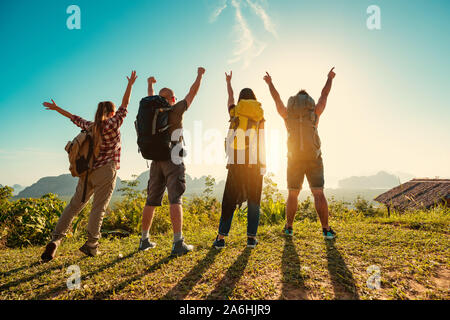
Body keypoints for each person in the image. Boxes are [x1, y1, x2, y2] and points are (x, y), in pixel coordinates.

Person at [41, 71, 138, 262]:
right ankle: (92, 245)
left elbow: (73, 117)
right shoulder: (113, 123)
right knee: (98, 208)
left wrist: (56, 107)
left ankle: (55, 241)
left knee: (74, 206)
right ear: (111, 113)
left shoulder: (90, 126)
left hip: (87, 174)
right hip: (106, 172)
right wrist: (131, 84)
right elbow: (125, 105)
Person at [263, 67, 337, 240]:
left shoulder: (288, 115)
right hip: (314, 157)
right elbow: (324, 95)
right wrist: (330, 78)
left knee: (292, 193)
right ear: (308, 102)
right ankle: (326, 229)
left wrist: (270, 83)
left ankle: (289, 227)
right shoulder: (314, 114)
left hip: (294, 158)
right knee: (318, 193)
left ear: (294, 103)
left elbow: (277, 99)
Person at [139, 67, 206, 256]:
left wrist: (150, 85)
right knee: (175, 198)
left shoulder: (152, 111)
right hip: (173, 156)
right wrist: (199, 75)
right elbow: (192, 93)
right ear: (172, 99)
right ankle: (178, 243)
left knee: (151, 200)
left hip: (155, 160)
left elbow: (151, 100)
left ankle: (144, 240)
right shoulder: (176, 110)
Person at [212, 71, 266, 250]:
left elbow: (230, 98)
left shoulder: (236, 110)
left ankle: (221, 238)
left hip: (236, 160)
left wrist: (228, 82)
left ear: (242, 99)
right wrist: (263, 164)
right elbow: (262, 140)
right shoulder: (259, 115)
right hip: (254, 161)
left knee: (229, 198)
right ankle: (251, 239)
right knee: (254, 200)